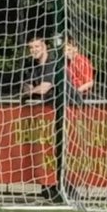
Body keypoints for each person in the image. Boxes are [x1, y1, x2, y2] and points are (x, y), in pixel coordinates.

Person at [22, 36, 66, 202]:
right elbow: (26, 86)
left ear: (45, 46)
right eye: (31, 47)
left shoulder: (52, 64)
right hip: (46, 113)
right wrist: (32, 90)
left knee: (60, 150)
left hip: (65, 110)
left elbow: (44, 88)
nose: (34, 50)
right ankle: (48, 187)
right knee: (46, 149)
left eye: (37, 46)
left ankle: (63, 187)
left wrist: (33, 90)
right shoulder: (32, 66)